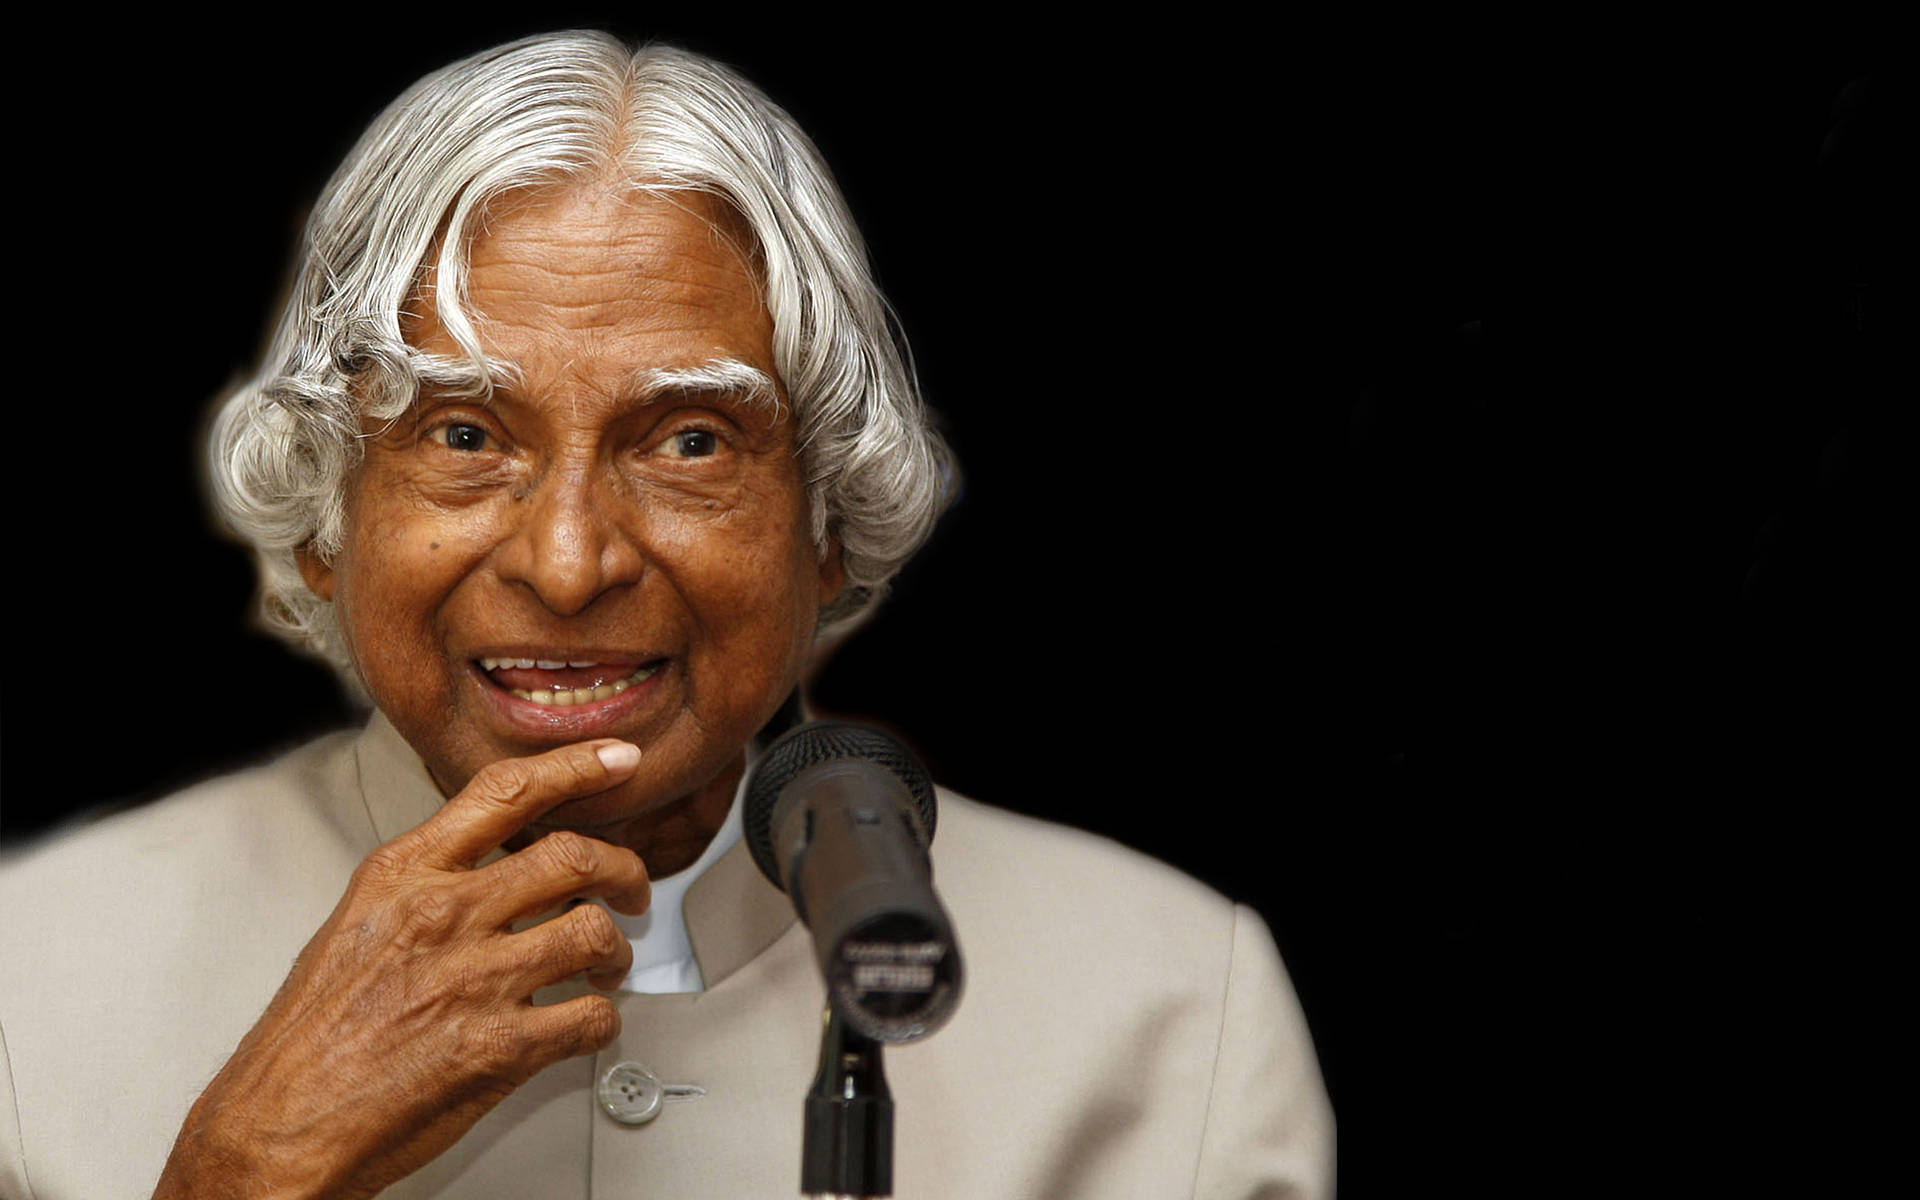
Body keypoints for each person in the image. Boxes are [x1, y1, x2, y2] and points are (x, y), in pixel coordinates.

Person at [0, 32, 1332, 1199]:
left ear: (828, 524)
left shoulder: (1170, 1007)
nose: (571, 565)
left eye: (690, 441)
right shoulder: (31, 976)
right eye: (466, 431)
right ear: (328, 523)